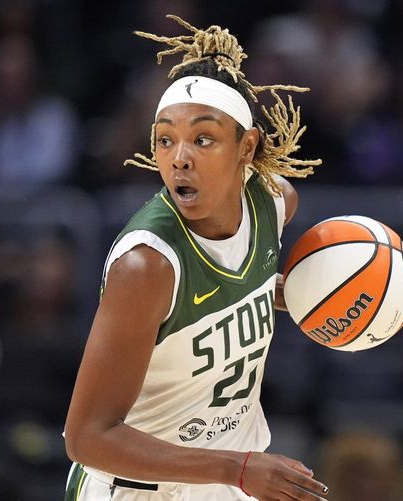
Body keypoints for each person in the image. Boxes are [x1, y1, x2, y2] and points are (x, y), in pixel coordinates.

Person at [63, 15, 326, 500]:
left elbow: (239, 280)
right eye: (166, 139)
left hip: (226, 480)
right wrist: (239, 469)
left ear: (246, 147)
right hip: (140, 489)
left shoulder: (274, 202)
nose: (179, 157)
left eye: (203, 139)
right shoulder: (147, 266)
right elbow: (86, 438)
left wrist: (307, 294)